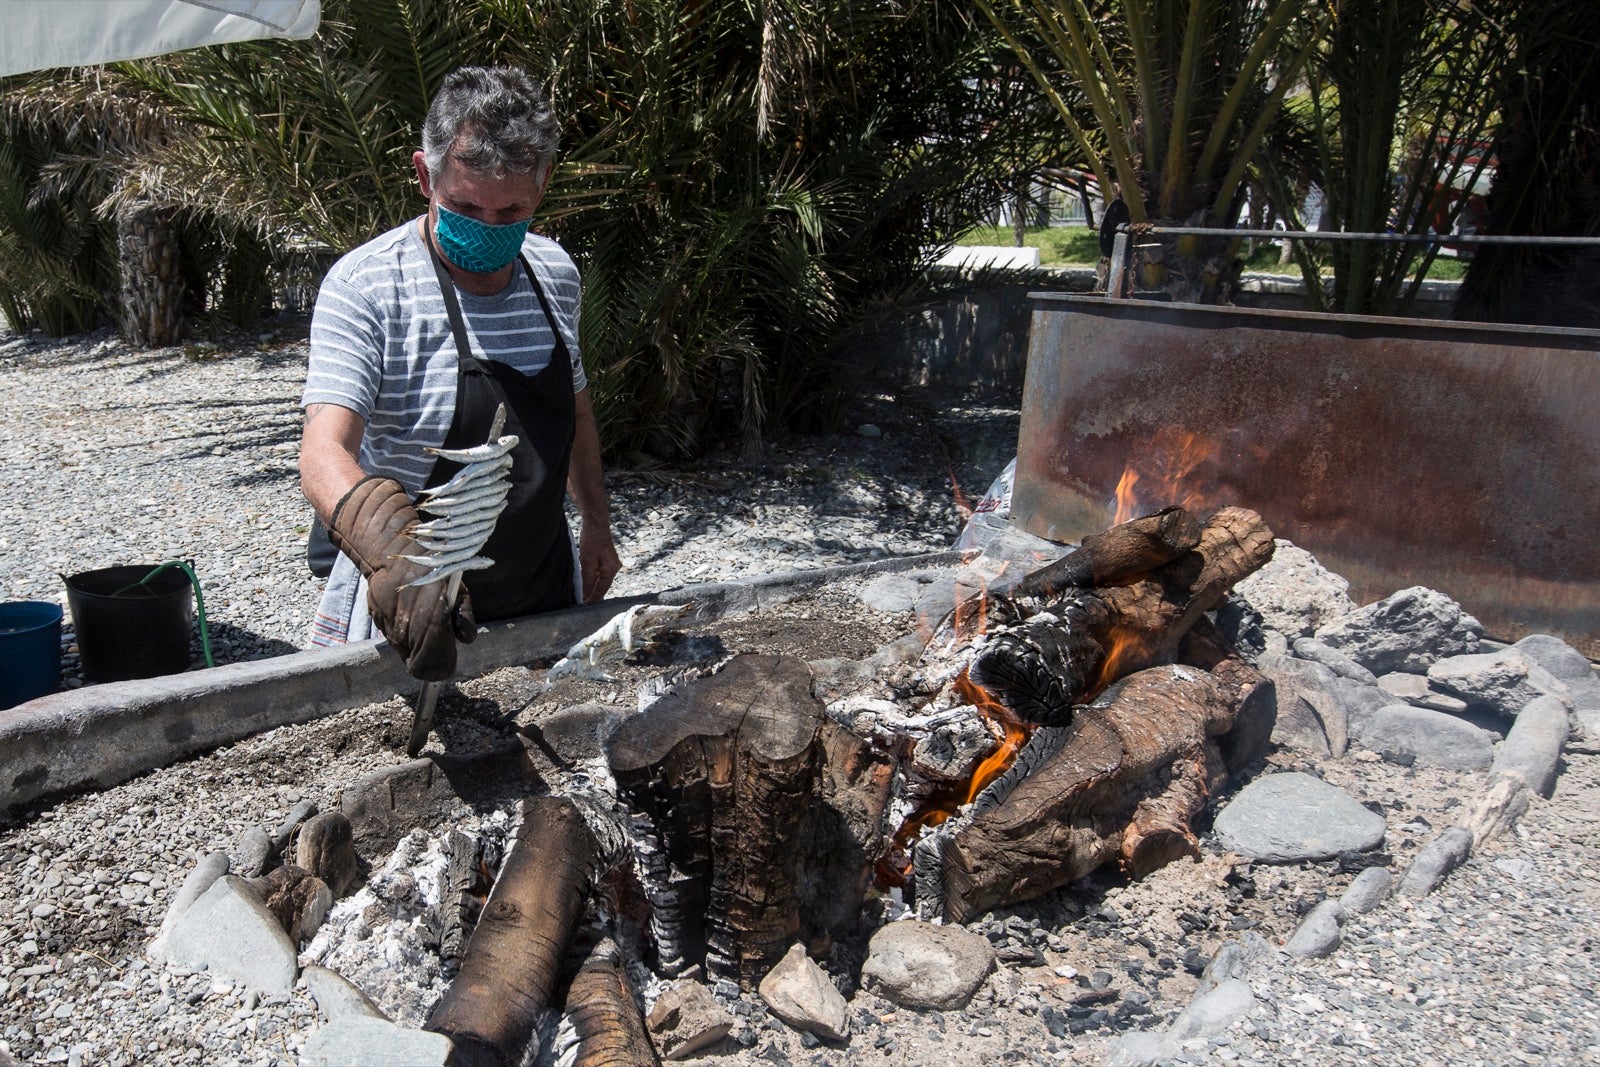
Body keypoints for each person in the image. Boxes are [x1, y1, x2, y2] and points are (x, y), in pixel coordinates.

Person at [298, 65, 620, 681]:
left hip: (542, 590)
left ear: (543, 183)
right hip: (405, 613)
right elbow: (322, 453)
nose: (490, 229)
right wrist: (400, 563)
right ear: (425, 174)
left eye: (512, 212)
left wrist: (597, 527)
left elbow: (575, 412)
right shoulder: (367, 285)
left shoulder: (554, 273)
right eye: (467, 206)